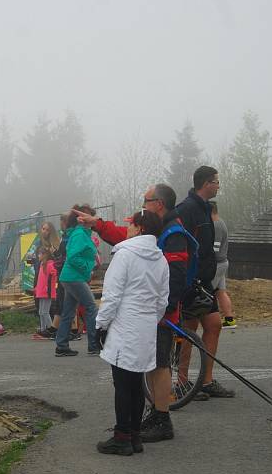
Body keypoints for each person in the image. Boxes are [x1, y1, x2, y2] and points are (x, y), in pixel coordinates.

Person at [74, 183, 190, 443]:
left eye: (146, 200)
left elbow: (174, 279)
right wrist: (97, 223)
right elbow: (122, 235)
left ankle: (153, 422)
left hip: (153, 318)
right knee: (140, 375)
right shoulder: (155, 244)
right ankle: (135, 431)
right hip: (152, 316)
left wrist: (162, 314)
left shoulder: (173, 234)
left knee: (152, 370)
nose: (143, 203)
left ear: (158, 203)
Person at [95, 210, 169, 456]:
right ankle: (134, 435)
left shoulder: (124, 255)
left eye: (131, 224)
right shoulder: (160, 259)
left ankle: (122, 436)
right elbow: (162, 301)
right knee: (136, 382)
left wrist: (100, 325)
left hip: (125, 324)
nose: (126, 228)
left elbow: (112, 295)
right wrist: (150, 320)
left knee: (122, 384)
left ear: (140, 228)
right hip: (146, 326)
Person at [174, 166, 235, 398]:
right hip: (190, 283)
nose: (219, 186)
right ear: (205, 184)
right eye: (216, 182)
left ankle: (206, 381)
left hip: (205, 283)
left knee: (214, 325)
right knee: (189, 330)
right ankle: (181, 383)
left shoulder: (206, 209)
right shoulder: (187, 209)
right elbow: (181, 245)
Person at [54, 204, 99, 357]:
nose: (90, 218)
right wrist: (88, 268)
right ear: (80, 220)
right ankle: (94, 345)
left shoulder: (81, 233)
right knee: (91, 307)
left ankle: (61, 345)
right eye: (88, 216)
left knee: (68, 312)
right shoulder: (80, 234)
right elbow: (73, 257)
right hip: (75, 277)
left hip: (70, 276)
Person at [211, 202, 237, 329]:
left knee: (208, 292)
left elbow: (214, 248)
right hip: (223, 262)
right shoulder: (221, 222)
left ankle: (209, 320)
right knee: (221, 292)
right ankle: (229, 319)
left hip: (217, 264)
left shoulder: (216, 225)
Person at [32, 247, 57, 339]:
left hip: (47, 292)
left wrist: (48, 287)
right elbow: (41, 279)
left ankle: (51, 331)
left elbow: (54, 275)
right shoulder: (42, 264)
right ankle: (43, 330)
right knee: (41, 312)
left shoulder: (50, 264)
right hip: (42, 291)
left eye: (40, 254)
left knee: (45, 312)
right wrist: (37, 288)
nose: (38, 255)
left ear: (45, 255)